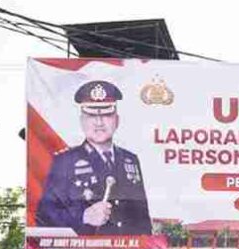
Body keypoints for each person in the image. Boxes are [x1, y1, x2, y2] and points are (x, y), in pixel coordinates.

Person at [35, 80, 152, 235]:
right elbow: (44, 215)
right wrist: (83, 217)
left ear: (116, 120)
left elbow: (142, 217)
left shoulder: (130, 160)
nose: (99, 122)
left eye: (106, 114)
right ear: (82, 121)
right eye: (91, 115)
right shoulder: (65, 161)